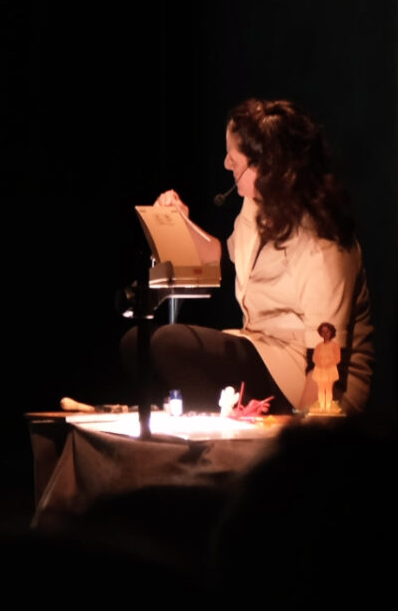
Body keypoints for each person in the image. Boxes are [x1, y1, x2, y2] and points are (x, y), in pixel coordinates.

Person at [131, 97, 374, 413]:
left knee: (169, 344)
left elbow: (326, 357)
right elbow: (223, 258)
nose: (226, 164)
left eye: (234, 158)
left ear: (264, 165)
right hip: (263, 348)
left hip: (312, 377)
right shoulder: (258, 206)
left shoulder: (321, 241)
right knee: (137, 344)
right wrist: (180, 224)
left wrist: (305, 434)